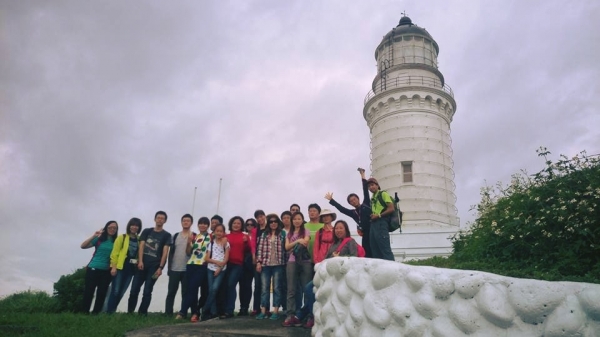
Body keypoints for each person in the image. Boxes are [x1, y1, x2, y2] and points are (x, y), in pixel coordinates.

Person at [299, 220, 360, 329]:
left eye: (341, 228)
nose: (338, 230)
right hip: (328, 275)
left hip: (340, 277)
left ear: (346, 230)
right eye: (336, 228)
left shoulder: (350, 242)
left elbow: (353, 257)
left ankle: (306, 316)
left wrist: (339, 258)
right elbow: (326, 259)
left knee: (309, 288)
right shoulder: (334, 244)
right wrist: (332, 257)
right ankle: (308, 315)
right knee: (308, 288)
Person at [128, 211, 172, 315]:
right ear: (155, 219)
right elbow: (142, 246)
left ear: (165, 221)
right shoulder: (147, 231)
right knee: (134, 289)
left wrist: (161, 268)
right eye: (158, 217)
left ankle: (142, 313)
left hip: (155, 267)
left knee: (147, 291)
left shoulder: (167, 235)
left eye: (162, 218)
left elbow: (165, 252)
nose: (160, 220)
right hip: (142, 265)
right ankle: (130, 312)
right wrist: (140, 261)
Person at [324, 167, 372, 257]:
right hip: (365, 234)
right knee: (367, 253)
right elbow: (341, 209)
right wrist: (332, 200)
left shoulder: (366, 204)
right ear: (350, 203)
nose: (353, 201)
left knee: (376, 251)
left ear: (358, 199)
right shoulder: (353, 213)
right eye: (351, 201)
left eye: (354, 199)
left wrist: (362, 175)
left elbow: (365, 190)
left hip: (373, 231)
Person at [177, 216, 211, 322]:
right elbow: (188, 252)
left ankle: (182, 312)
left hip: (203, 265)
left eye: (205, 223)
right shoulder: (195, 236)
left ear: (208, 226)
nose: (202, 225)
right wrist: (188, 242)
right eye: (201, 223)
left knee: (194, 289)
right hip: (191, 264)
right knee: (191, 290)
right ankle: (195, 313)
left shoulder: (211, 237)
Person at [80, 220, 118, 314]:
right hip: (93, 268)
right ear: (106, 228)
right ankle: (84, 313)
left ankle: (96, 313)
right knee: (89, 292)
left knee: (101, 293)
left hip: (106, 270)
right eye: (110, 227)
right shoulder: (99, 239)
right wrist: (94, 235)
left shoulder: (116, 241)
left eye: (114, 228)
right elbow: (83, 246)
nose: (112, 229)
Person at [282, 212, 311, 327]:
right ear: (292, 221)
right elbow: (286, 247)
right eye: (295, 219)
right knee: (291, 289)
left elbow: (305, 242)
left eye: (299, 219)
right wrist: (298, 241)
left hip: (305, 262)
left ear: (302, 220)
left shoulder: (306, 231)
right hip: (292, 261)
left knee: (307, 289)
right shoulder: (288, 233)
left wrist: (298, 242)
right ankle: (291, 314)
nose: (297, 221)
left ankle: (308, 314)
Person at [255, 214, 286, 321]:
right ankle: (263, 311)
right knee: (264, 288)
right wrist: (258, 262)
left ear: (278, 223)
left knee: (277, 288)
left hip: (278, 264)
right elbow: (259, 250)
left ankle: (276, 311)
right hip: (265, 264)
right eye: (271, 221)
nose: (273, 223)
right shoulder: (264, 234)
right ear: (269, 223)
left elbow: (285, 249)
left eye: (275, 221)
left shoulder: (282, 233)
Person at [106, 218, 141, 313]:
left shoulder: (139, 240)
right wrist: (113, 267)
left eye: (136, 225)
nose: (134, 227)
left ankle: (112, 311)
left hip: (131, 270)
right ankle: (108, 312)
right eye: (132, 225)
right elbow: (115, 253)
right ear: (129, 226)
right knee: (115, 291)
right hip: (120, 267)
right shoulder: (122, 237)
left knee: (122, 292)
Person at [165, 214, 194, 316]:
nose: (186, 222)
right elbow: (171, 252)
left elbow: (194, 253)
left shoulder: (194, 236)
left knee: (185, 293)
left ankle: (183, 312)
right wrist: (169, 267)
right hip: (174, 269)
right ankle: (168, 313)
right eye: (184, 221)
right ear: (181, 222)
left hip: (187, 269)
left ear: (191, 223)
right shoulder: (175, 235)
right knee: (171, 292)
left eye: (188, 221)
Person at [222, 216, 250, 319]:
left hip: (238, 265)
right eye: (234, 223)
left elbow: (249, 250)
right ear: (231, 224)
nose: (236, 225)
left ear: (241, 225)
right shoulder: (226, 236)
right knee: (225, 286)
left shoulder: (244, 236)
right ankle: (224, 309)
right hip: (226, 264)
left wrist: (247, 242)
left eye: (238, 223)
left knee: (231, 285)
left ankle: (229, 310)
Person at [202, 223, 230, 320]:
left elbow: (226, 259)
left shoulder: (226, 243)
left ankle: (204, 310)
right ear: (214, 232)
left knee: (214, 289)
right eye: (217, 231)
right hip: (210, 268)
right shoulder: (211, 243)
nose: (219, 233)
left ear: (224, 233)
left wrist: (219, 268)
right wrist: (216, 262)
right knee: (211, 290)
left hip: (221, 270)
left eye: (221, 231)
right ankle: (213, 312)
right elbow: (207, 258)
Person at [367, 178, 395, 261]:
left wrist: (378, 215)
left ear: (377, 185)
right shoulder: (372, 198)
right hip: (374, 224)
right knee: (375, 249)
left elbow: (391, 208)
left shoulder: (383, 194)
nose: (371, 187)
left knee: (385, 249)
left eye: (372, 185)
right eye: (369, 186)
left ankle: (392, 269)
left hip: (382, 222)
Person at [249, 209, 268, 315]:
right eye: (258, 217)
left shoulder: (270, 228)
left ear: (265, 216)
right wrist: (254, 258)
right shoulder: (255, 230)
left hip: (269, 260)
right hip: (258, 260)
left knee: (267, 284)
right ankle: (256, 307)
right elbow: (253, 245)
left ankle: (266, 308)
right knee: (258, 284)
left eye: (261, 216)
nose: (260, 219)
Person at [238, 218, 257, 316]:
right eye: (248, 224)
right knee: (245, 286)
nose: (250, 226)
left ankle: (256, 308)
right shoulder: (243, 236)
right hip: (245, 262)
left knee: (258, 286)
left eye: (252, 224)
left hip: (256, 262)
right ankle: (243, 307)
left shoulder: (258, 235)